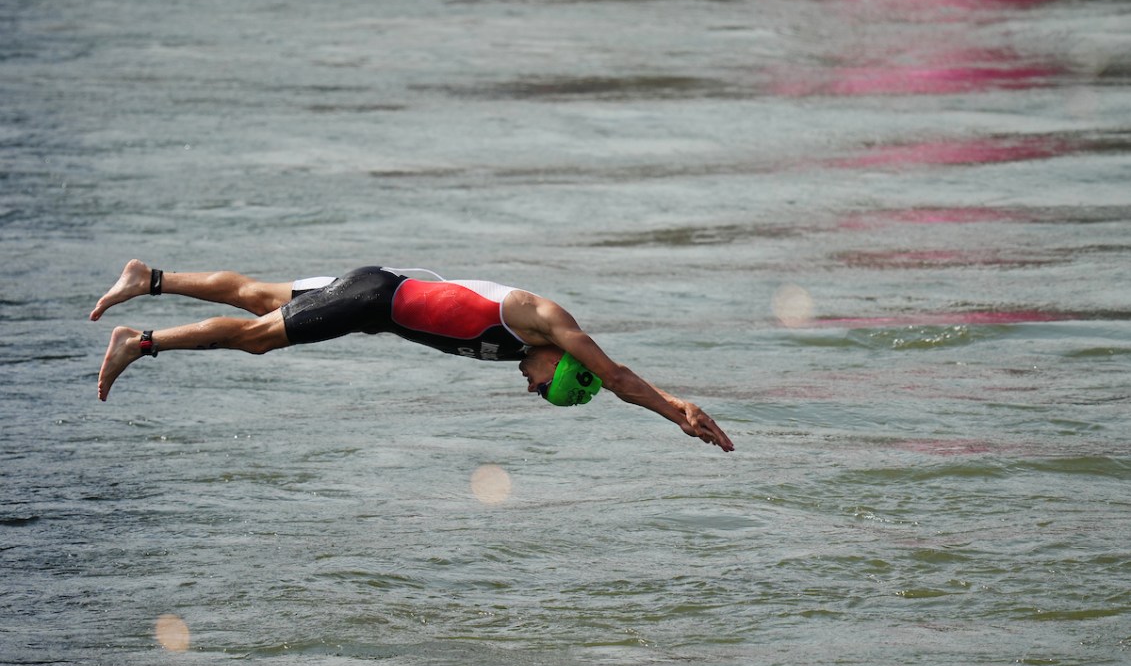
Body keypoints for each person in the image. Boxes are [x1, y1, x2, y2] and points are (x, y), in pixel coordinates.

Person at [92, 260, 734, 452]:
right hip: (374, 299)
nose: (529, 388)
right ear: (561, 365)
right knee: (256, 334)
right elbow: (616, 375)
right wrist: (675, 409)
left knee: (253, 293)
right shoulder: (542, 319)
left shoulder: (528, 343)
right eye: (544, 387)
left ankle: (149, 277)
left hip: (376, 291)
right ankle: (140, 342)